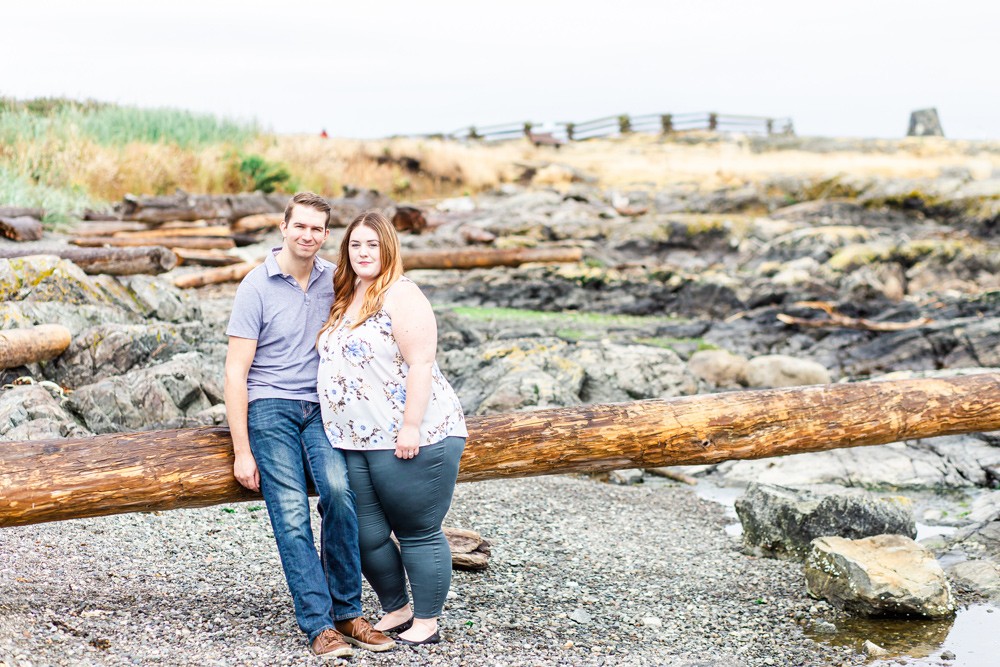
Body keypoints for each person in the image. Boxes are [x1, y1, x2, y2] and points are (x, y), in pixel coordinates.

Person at [224, 192, 395, 659]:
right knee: (292, 514)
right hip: (270, 408)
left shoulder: (333, 281)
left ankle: (348, 611)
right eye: (300, 226)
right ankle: (319, 625)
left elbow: (374, 313)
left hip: (321, 407)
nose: (308, 235)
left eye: (318, 229)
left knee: (340, 494)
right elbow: (235, 372)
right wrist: (242, 450)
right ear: (283, 227)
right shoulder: (255, 286)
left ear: (325, 235)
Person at [316, 210, 468, 646]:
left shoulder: (402, 295)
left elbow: (421, 363)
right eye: (356, 245)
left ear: (389, 249)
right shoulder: (347, 294)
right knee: (364, 533)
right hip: (354, 439)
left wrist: (411, 425)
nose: (364, 253)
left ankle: (426, 620)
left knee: (417, 529)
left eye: (373, 245)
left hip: (412, 434)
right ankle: (397, 605)